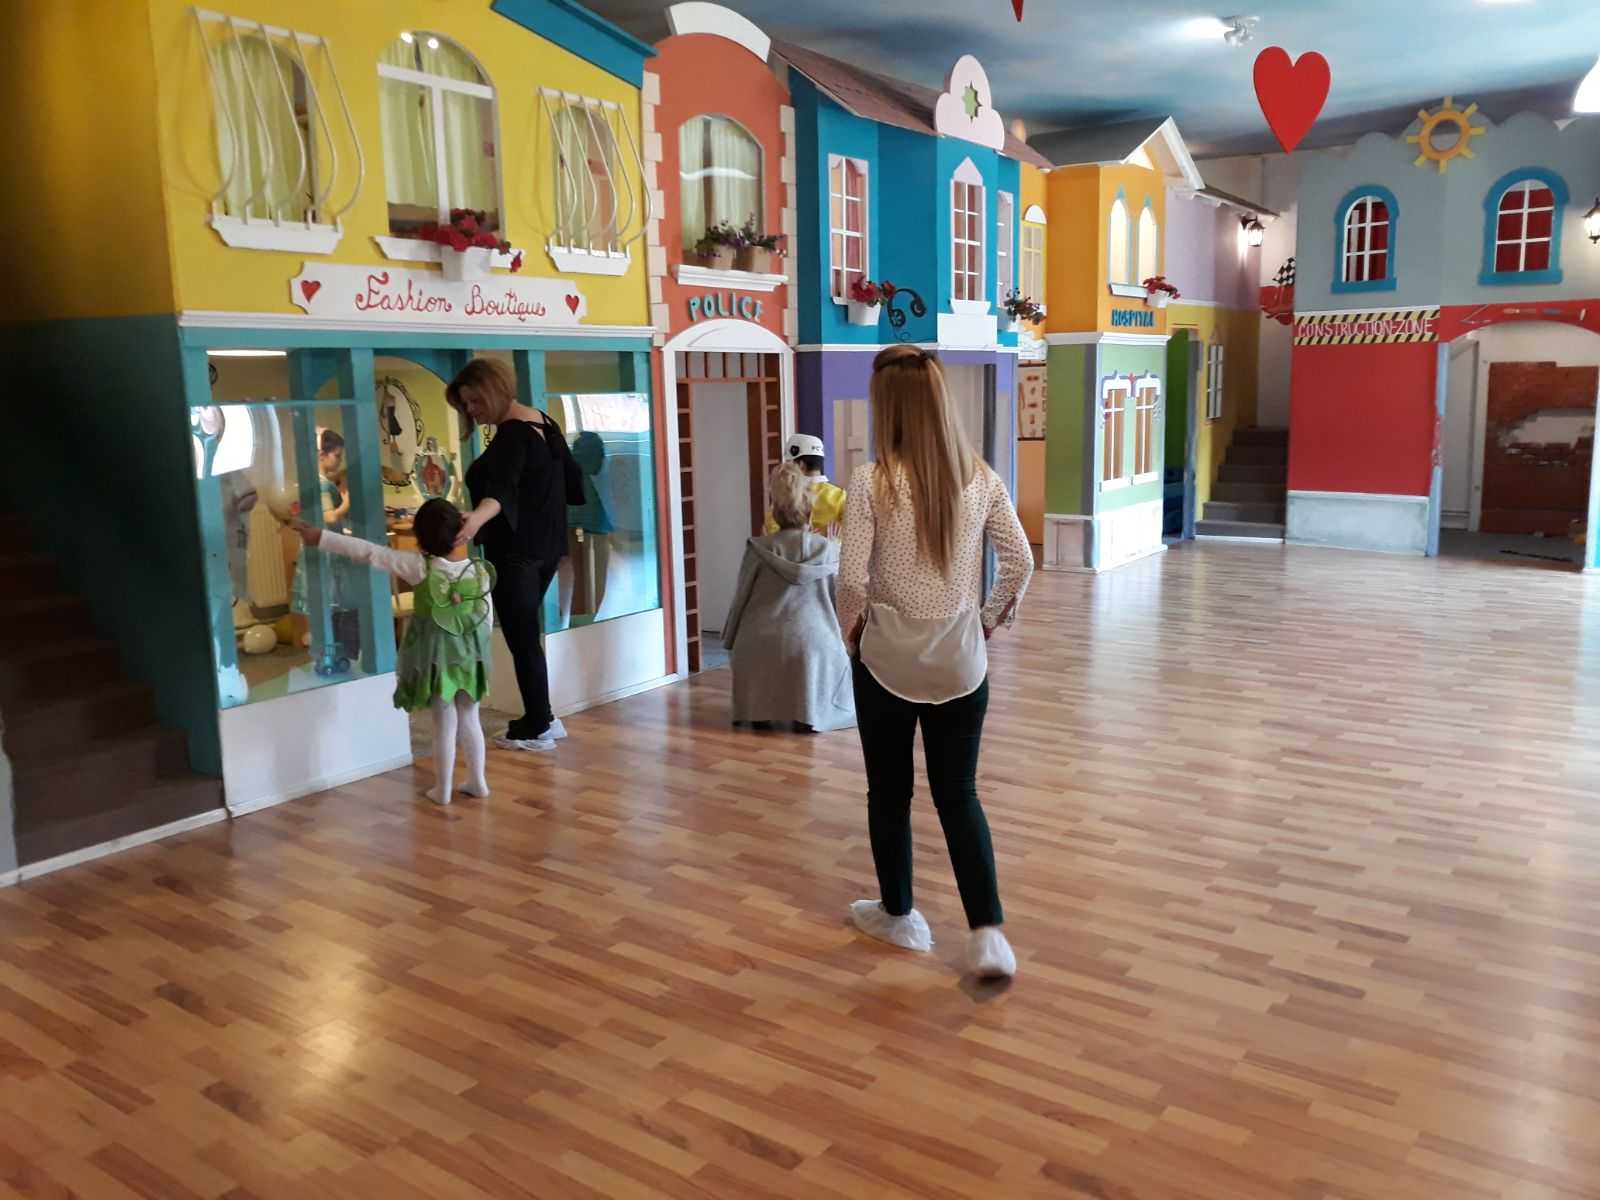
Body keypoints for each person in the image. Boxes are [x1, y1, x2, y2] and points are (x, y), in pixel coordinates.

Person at [836, 344, 1033, 980]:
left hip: (886, 661)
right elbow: (1021, 561)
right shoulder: (980, 479)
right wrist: (987, 620)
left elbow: (851, 580)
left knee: (889, 792)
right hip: (960, 661)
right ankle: (988, 935)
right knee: (959, 794)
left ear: (887, 407)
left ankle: (899, 916)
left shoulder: (869, 483)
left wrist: (851, 635)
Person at [294, 499, 494, 805]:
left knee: (443, 722)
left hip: (437, 661)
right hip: (470, 658)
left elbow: (369, 552)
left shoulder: (419, 567)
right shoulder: (478, 571)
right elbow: (485, 619)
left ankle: (442, 790)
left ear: (420, 539)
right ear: (461, 532)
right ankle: (478, 782)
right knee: (470, 716)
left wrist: (320, 537)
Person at [448, 358, 584, 751]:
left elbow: (501, 490)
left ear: (495, 390)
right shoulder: (544, 422)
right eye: (466, 405)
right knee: (526, 636)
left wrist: (475, 519)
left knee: (522, 639)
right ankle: (542, 718)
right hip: (547, 548)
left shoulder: (511, 434)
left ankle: (538, 726)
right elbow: (571, 481)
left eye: (475, 401)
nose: (472, 410)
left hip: (517, 552)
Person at [724, 463, 856, 734]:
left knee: (755, 645)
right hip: (813, 646)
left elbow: (740, 599)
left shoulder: (757, 548)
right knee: (829, 647)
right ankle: (809, 711)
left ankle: (758, 711)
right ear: (809, 512)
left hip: (757, 644)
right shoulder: (829, 551)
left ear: (774, 512)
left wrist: (729, 640)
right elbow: (841, 604)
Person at [289, 428, 355, 654]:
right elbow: (329, 517)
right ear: (321, 455)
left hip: (322, 544)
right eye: (337, 455)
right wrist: (346, 502)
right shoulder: (322, 484)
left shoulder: (314, 482)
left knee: (326, 605)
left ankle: (326, 645)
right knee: (330, 602)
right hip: (326, 551)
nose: (339, 461)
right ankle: (329, 647)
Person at [558, 430, 613, 625]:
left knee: (576, 576)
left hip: (575, 522)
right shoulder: (600, 470)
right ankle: (589, 619)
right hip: (594, 524)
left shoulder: (571, 467)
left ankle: (578, 619)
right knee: (595, 577)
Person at [764, 433, 847, 539]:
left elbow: (771, 530)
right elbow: (851, 529)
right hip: (831, 549)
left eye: (789, 464)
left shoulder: (788, 495)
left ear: (801, 465)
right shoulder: (840, 496)